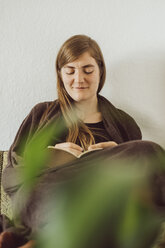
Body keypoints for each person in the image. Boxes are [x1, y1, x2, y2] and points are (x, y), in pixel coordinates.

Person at [1, 34, 165, 248]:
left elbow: (139, 184)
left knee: (148, 152)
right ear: (60, 74)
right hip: (51, 195)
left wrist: (116, 153)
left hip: (101, 198)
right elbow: (12, 176)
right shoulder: (41, 114)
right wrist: (49, 158)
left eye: (88, 70)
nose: (79, 79)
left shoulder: (124, 123)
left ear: (100, 72)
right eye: (70, 71)